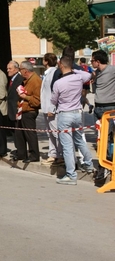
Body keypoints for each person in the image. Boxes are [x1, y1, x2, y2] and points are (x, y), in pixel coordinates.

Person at [51, 56, 95, 185]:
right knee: (79, 140)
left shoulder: (58, 83)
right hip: (77, 113)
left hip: (65, 114)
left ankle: (71, 175)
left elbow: (54, 100)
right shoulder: (78, 77)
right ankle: (89, 164)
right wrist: (74, 70)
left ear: (61, 66)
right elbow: (89, 75)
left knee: (67, 146)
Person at [91, 49, 115, 181]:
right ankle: (103, 163)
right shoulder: (97, 73)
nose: (91, 63)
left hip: (109, 107)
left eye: (92, 61)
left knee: (108, 138)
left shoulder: (112, 70)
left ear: (97, 61)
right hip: (98, 108)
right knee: (100, 137)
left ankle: (107, 165)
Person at [12, 61, 41, 163]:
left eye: (20, 70)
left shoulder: (36, 81)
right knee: (19, 133)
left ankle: (34, 155)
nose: (19, 72)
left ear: (25, 71)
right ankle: (21, 154)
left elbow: (37, 101)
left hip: (30, 111)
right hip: (22, 110)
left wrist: (25, 97)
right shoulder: (26, 80)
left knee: (30, 134)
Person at [40, 53, 64, 166]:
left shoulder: (54, 73)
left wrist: (52, 108)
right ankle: (53, 153)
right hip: (45, 107)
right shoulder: (47, 73)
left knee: (55, 132)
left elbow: (54, 92)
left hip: (51, 108)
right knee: (50, 132)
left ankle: (60, 155)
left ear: (46, 61)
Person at [6, 60, 23, 156]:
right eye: (7, 68)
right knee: (14, 131)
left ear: (16, 69)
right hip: (11, 109)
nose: (8, 70)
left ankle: (20, 151)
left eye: (10, 69)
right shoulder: (12, 79)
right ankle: (18, 149)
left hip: (16, 109)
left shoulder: (19, 79)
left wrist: (18, 109)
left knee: (18, 132)